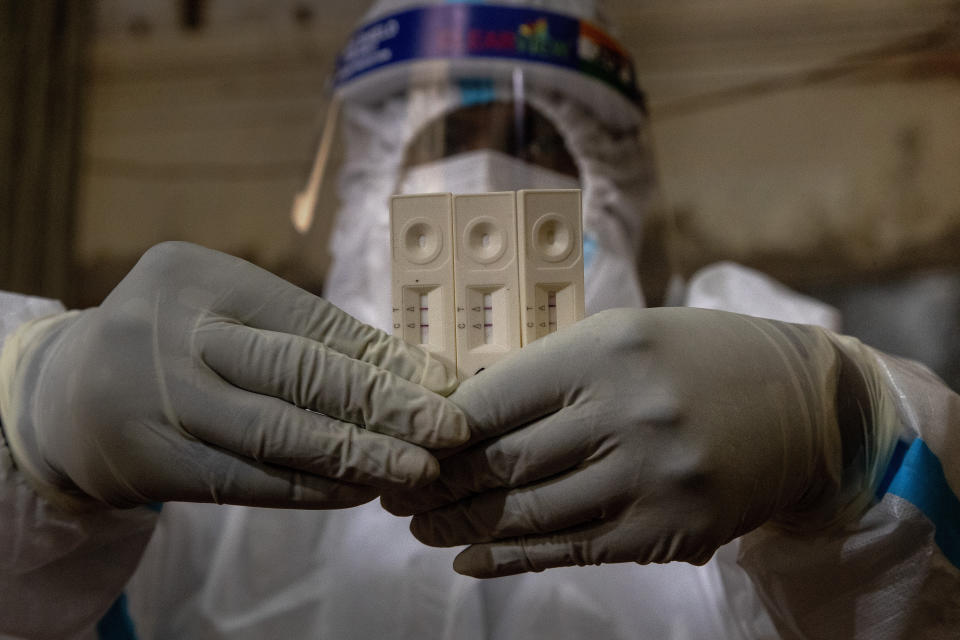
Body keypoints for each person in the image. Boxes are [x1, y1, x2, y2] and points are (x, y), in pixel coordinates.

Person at [1, 2, 957, 639]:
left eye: (538, 143)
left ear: (613, 189)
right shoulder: (217, 416)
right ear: (363, 185)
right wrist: (34, 412)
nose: (486, 181)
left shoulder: (741, 359)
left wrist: (843, 440)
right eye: (440, 141)